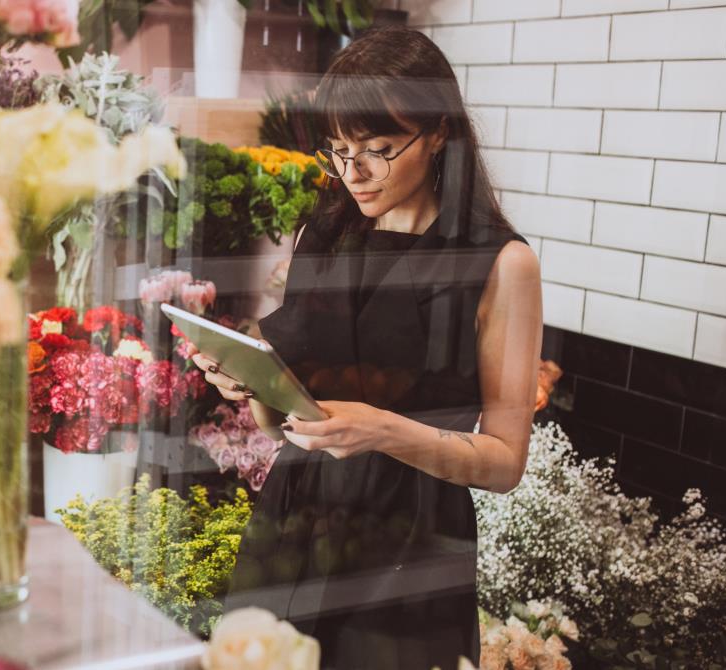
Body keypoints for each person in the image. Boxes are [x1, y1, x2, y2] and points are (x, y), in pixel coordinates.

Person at [192, 25, 543, 670]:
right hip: (295, 517)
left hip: (408, 540)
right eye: (338, 150)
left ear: (439, 132)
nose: (353, 173)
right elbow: (285, 427)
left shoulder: (499, 263)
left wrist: (383, 430)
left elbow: (504, 462)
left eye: (378, 149)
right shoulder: (321, 236)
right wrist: (252, 383)